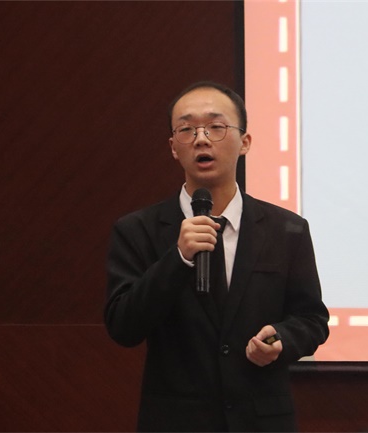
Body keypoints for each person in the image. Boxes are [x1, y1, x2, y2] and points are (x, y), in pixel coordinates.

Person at [104, 81, 329, 432]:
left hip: (260, 421)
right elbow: (123, 327)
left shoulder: (287, 230)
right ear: (173, 147)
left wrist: (281, 339)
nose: (201, 139)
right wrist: (178, 259)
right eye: (186, 129)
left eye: (216, 126)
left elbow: (312, 319)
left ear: (245, 142)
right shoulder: (137, 230)